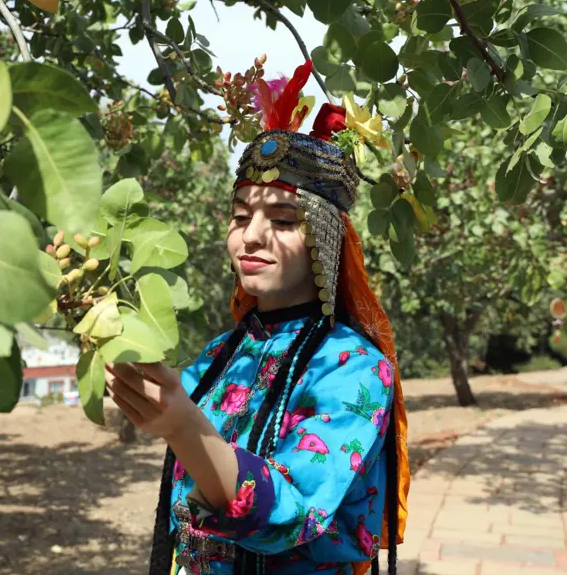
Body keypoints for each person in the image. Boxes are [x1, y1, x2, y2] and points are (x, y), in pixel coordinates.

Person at [105, 61, 409, 575]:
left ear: (326, 242)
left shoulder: (355, 368)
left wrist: (183, 426)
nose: (250, 237)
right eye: (241, 216)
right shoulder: (220, 357)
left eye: (283, 221)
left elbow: (289, 517)